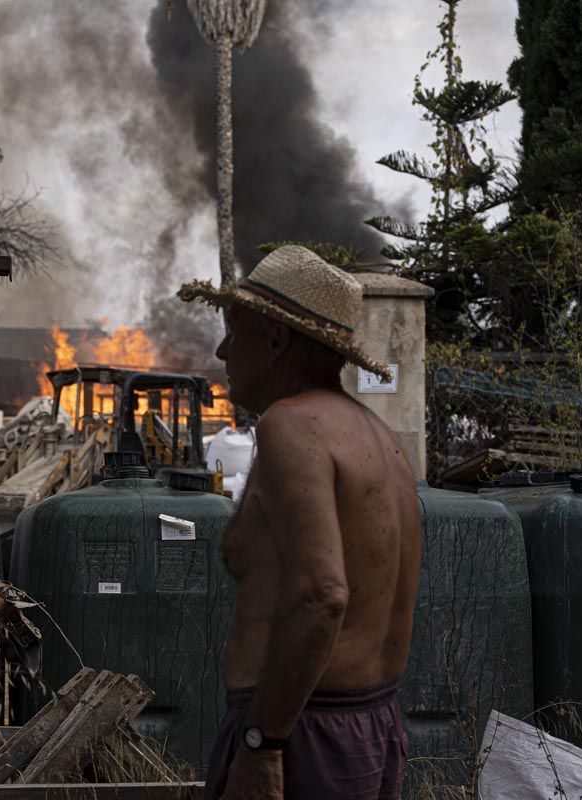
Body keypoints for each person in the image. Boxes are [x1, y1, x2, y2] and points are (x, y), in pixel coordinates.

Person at [178, 245, 422, 800]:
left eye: (233, 330)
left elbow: (321, 596)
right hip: (368, 725)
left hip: (300, 736)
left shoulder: (292, 426)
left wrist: (263, 744)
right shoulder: (378, 437)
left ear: (276, 339)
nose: (221, 350)